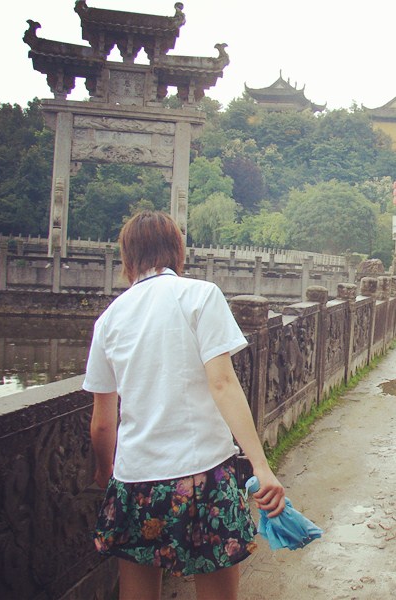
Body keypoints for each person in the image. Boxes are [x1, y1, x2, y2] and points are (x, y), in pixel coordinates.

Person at [83, 211, 285, 600]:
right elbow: (222, 383)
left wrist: (106, 471)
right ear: (178, 252)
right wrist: (261, 466)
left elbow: (103, 423)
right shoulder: (200, 296)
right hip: (204, 473)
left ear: (127, 258)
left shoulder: (109, 320)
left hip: (136, 478)